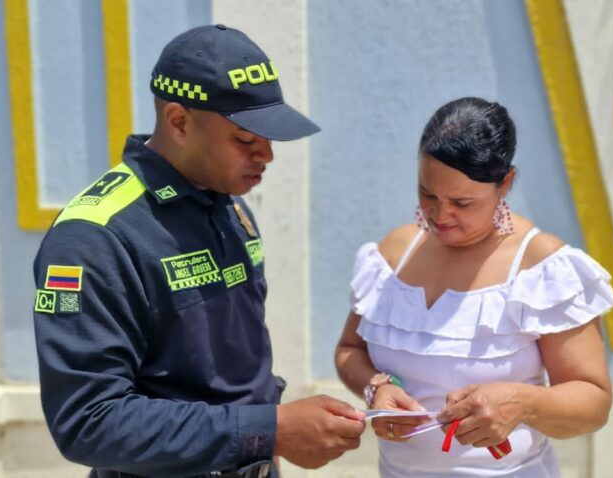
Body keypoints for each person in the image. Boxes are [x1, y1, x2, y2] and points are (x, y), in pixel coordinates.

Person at [33, 25, 365, 478]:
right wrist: (266, 431)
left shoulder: (230, 208)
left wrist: (275, 428)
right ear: (179, 122)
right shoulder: (93, 239)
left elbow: (228, 370)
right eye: (246, 139)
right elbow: (87, 422)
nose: (267, 154)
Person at [334, 97, 613, 477]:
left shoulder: (542, 266)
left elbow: (593, 403)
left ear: (506, 184)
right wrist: (377, 389)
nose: (440, 215)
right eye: (428, 194)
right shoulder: (394, 253)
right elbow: (350, 349)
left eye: (462, 202)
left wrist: (522, 402)